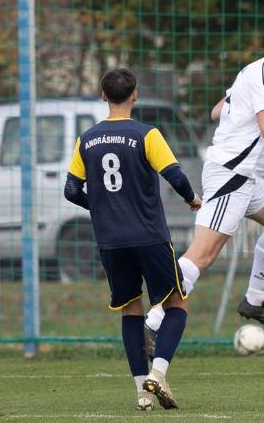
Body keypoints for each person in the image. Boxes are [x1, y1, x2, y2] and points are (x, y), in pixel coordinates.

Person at [143, 28, 264, 342]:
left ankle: (255, 300)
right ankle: (152, 323)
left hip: (247, 178)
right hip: (231, 175)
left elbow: (217, 111)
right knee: (202, 255)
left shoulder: (259, 74)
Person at [64, 68, 201, 410]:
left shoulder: (87, 139)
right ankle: (158, 372)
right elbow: (175, 176)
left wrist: (101, 207)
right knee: (176, 304)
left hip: (111, 240)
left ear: (103, 96)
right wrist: (191, 199)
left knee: (131, 309)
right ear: (135, 95)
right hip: (149, 236)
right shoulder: (146, 134)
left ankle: (142, 392)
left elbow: (71, 190)